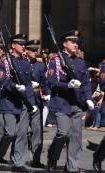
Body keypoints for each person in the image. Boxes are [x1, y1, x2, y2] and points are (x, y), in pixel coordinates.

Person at [46, 30, 94, 173]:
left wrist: (89, 99)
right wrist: (67, 85)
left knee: (76, 138)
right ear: (64, 44)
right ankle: (53, 157)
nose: (76, 44)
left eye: (77, 42)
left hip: (77, 104)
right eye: (72, 42)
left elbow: (85, 83)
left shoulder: (81, 62)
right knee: (63, 133)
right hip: (61, 103)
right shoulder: (55, 61)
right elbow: (51, 82)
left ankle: (71, 167)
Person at [0, 33, 37, 172]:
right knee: (10, 133)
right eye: (21, 44)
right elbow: (2, 81)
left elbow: (28, 84)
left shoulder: (26, 63)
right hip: (9, 101)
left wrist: (32, 102)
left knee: (22, 133)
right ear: (13, 45)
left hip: (23, 101)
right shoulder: (4, 62)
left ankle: (19, 163)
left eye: (24, 44)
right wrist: (14, 86)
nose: (23, 46)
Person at [25, 39, 50, 168]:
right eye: (33, 50)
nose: (35, 52)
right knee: (21, 131)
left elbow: (44, 83)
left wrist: (47, 93)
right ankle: (16, 156)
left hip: (36, 100)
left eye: (36, 50)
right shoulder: (21, 64)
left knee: (37, 131)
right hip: (24, 99)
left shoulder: (40, 66)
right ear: (26, 51)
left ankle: (35, 158)